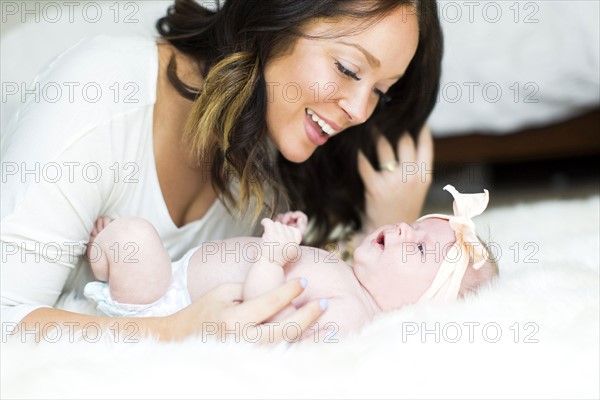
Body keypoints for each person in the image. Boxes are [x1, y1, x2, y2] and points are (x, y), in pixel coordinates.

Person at [1, 0, 442, 342]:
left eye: (381, 93)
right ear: (278, 17)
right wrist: (173, 333)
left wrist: (384, 226)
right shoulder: (99, 94)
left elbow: (318, 293)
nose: (360, 111)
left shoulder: (277, 140)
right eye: (347, 69)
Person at [83, 185, 497, 342]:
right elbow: (294, 275)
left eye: (421, 249)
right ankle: (112, 264)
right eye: (415, 225)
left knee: (134, 236)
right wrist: (286, 239)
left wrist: (270, 257)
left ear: (423, 304)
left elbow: (266, 323)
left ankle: (108, 266)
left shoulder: (351, 315)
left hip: (169, 305)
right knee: (135, 241)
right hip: (176, 278)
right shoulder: (348, 282)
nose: (406, 229)